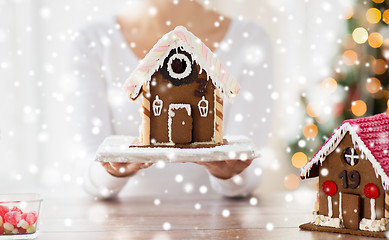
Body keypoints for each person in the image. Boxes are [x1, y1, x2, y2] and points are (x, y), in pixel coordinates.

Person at [71, 0, 273, 199]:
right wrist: (113, 171)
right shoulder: (93, 41)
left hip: (219, 222)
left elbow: (251, 163)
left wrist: (229, 174)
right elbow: (89, 172)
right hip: (123, 223)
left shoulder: (250, 39)